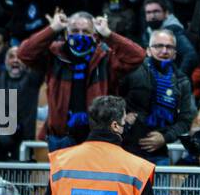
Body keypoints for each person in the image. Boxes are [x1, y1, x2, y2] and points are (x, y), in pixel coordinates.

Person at [36, 95, 169, 195]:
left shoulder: (62, 163)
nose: (126, 124)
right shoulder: (136, 169)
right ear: (115, 126)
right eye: (124, 121)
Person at [17, 8, 147, 150]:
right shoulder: (54, 55)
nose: (80, 35)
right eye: (74, 31)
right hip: (61, 136)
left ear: (95, 35)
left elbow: (138, 56)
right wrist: (53, 29)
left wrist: (108, 34)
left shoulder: (106, 57)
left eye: (85, 32)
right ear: (66, 34)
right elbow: (24, 53)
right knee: (65, 174)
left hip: (99, 137)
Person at [118, 28, 195, 165]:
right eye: (158, 46)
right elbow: (113, 97)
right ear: (148, 50)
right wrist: (122, 115)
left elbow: (186, 119)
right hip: (126, 148)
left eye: (169, 47)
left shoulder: (182, 81)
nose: (164, 51)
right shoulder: (132, 71)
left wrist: (165, 137)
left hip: (158, 152)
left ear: (175, 54)